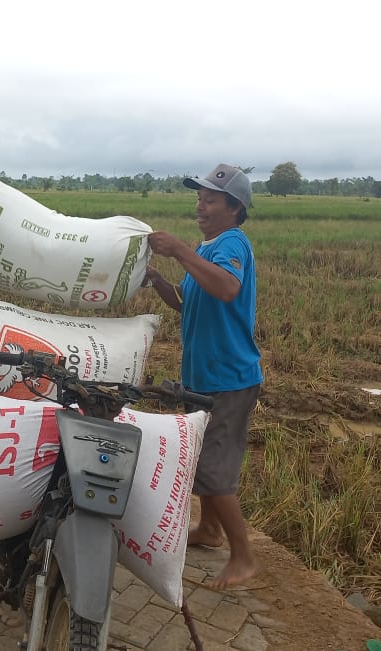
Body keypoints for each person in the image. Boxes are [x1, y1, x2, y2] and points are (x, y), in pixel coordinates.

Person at [145, 163, 263, 589]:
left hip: (229, 378)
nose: (201, 206)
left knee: (214, 469)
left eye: (210, 199)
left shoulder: (232, 244)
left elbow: (228, 288)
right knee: (200, 460)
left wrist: (179, 252)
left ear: (234, 207)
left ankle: (244, 556)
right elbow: (186, 302)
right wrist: (158, 278)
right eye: (199, 198)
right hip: (203, 375)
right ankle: (209, 531)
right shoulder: (208, 247)